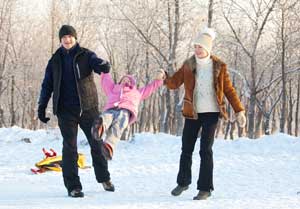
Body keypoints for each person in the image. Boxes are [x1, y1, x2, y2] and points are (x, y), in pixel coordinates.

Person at [164, 27, 246, 200]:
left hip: (211, 113)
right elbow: (173, 83)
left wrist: (239, 110)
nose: (197, 50)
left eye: (200, 47)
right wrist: (163, 77)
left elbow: (229, 90)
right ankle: (183, 182)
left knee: (205, 150)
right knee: (186, 148)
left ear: (208, 48)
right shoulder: (188, 65)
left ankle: (205, 188)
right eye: (195, 47)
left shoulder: (219, 66)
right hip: (192, 113)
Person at [37, 25, 114, 198]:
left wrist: (102, 65)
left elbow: (96, 63)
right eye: (64, 37)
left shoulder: (86, 55)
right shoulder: (55, 60)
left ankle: (104, 178)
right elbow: (47, 85)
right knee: (69, 148)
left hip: (88, 108)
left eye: (70, 36)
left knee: (96, 143)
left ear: (75, 38)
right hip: (65, 111)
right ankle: (73, 187)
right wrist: (42, 106)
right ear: (60, 40)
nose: (67, 39)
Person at [91, 70, 165, 160]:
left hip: (125, 111)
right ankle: (99, 127)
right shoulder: (113, 88)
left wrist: (158, 80)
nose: (126, 81)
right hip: (111, 109)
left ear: (132, 84)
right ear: (120, 81)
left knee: (118, 127)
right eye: (124, 79)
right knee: (106, 117)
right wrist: (103, 70)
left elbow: (149, 88)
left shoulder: (137, 93)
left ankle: (108, 146)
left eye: (129, 80)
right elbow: (106, 80)